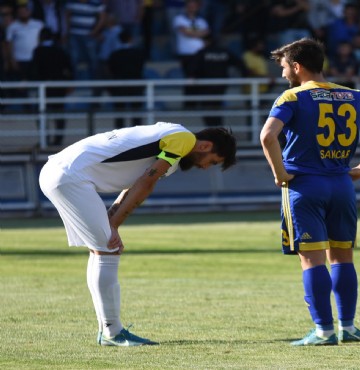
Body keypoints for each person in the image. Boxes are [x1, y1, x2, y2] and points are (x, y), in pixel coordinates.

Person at [39, 123, 237, 346]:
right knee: (108, 249)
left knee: (103, 250)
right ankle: (112, 333)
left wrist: (113, 221)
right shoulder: (184, 140)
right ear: (205, 146)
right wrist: (113, 223)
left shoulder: (174, 139)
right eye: (212, 161)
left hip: (60, 172)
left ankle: (109, 330)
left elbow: (135, 184)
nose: (206, 167)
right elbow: (146, 182)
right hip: (69, 176)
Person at [260, 38, 360, 346]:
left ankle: (323, 330)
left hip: (304, 185)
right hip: (342, 184)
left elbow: (267, 136)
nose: (284, 73)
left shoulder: (292, 97)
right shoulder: (354, 95)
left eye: (285, 66)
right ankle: (348, 326)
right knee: (342, 257)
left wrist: (279, 174)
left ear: (297, 66)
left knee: (312, 260)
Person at [30, 27, 74, 146]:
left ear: (41, 37)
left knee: (41, 114)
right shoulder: (60, 50)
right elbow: (69, 68)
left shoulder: (38, 51)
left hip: (43, 88)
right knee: (59, 114)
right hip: (59, 87)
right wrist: (70, 83)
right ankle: (58, 140)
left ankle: (45, 138)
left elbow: (34, 70)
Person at [107, 28, 146, 128]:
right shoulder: (138, 53)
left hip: (119, 87)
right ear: (130, 39)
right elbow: (140, 68)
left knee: (119, 113)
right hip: (135, 86)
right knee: (136, 113)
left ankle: (119, 137)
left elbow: (112, 70)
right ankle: (137, 137)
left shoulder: (114, 55)